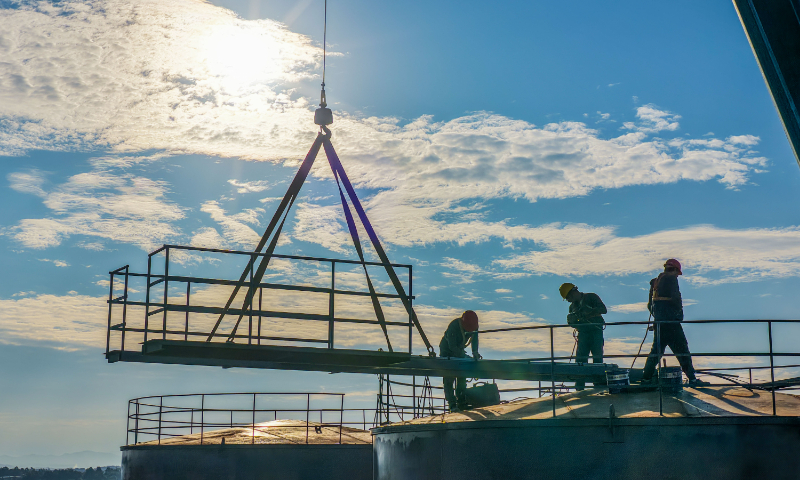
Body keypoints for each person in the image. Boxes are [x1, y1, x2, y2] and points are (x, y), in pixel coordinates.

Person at [640, 259, 708, 387]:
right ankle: (692, 379)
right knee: (683, 351)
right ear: (675, 270)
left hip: (660, 325)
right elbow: (676, 300)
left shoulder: (656, 283)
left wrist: (658, 319)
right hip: (672, 325)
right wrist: (677, 317)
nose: (677, 275)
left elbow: (650, 305)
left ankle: (646, 379)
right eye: (677, 272)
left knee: (655, 353)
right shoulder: (671, 279)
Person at [559, 283, 607, 391]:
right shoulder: (572, 307)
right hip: (583, 334)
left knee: (597, 359)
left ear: (573, 292)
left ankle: (598, 386)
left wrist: (588, 312)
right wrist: (572, 322)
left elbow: (603, 309)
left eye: (568, 297)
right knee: (580, 361)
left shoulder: (591, 297)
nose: (568, 300)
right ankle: (580, 387)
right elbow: (575, 322)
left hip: (596, 332)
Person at [439, 310, 481, 412]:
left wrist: (475, 353)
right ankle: (452, 404)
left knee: (462, 375)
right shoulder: (454, 326)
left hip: (460, 351)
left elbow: (474, 339)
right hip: (447, 351)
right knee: (449, 377)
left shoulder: (474, 327)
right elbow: (452, 347)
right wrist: (465, 357)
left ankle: (461, 402)